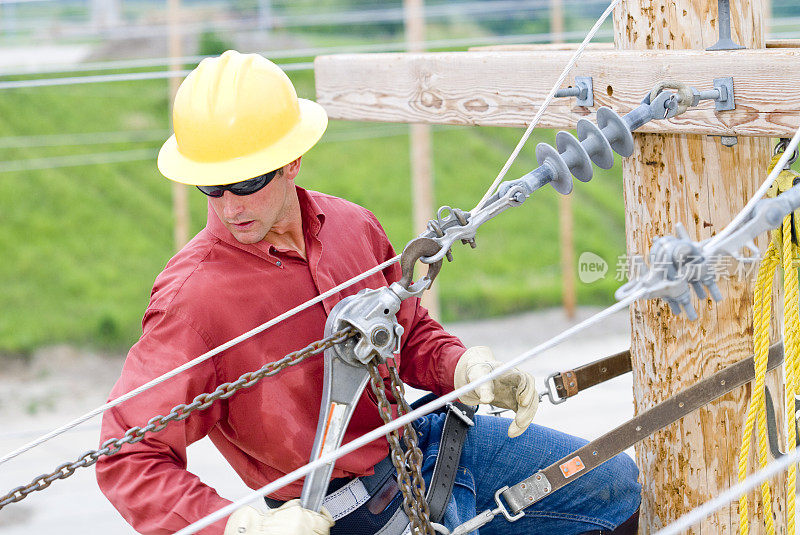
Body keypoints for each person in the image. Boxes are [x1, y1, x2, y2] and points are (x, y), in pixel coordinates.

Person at [96, 50, 641, 535]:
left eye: (246, 183)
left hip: (425, 445)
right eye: (210, 186)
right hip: (341, 512)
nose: (229, 207)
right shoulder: (192, 298)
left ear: (292, 161)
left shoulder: (349, 226)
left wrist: (462, 367)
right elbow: (126, 456)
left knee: (617, 486)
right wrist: (237, 525)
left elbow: (408, 332)